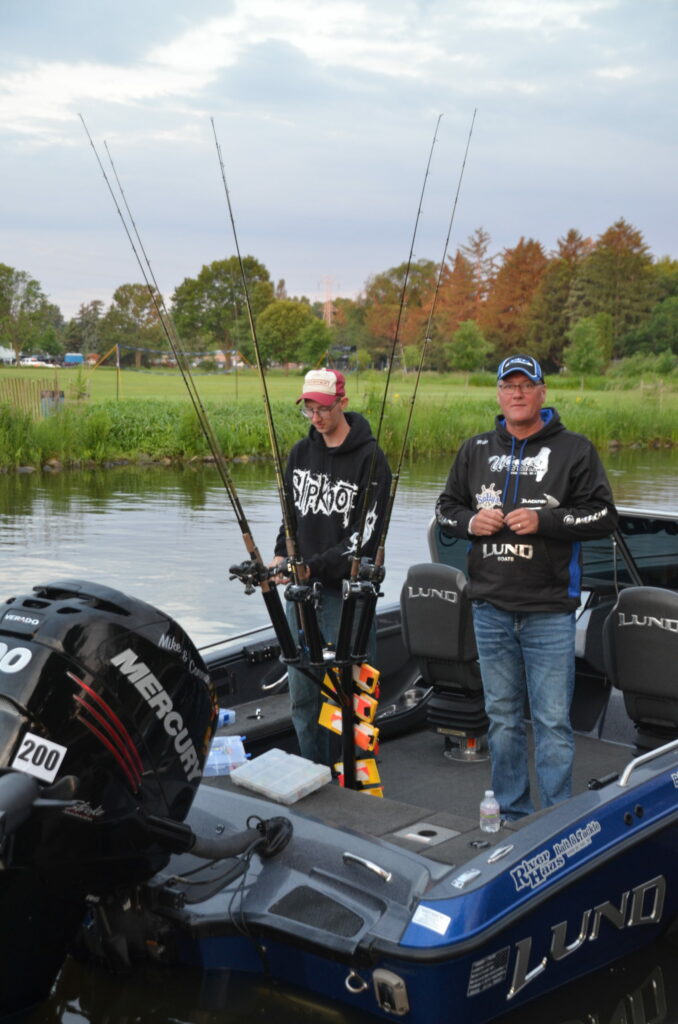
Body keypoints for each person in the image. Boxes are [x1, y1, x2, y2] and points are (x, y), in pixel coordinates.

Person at [435, 354, 617, 820]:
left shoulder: (575, 449)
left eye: (525, 384)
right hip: (489, 608)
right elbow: (445, 508)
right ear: (498, 393)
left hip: (549, 610)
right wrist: (470, 521)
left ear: (542, 392)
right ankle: (513, 815)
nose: (516, 393)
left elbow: (603, 516)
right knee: (501, 719)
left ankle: (555, 821)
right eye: (508, 385)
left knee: (553, 722)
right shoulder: (475, 449)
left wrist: (545, 520)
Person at [272, 368, 391, 765]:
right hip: (302, 595)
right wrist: (281, 555)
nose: (315, 417)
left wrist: (313, 566)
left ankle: (356, 782)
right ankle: (314, 775)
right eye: (308, 409)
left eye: (322, 408)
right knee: (304, 698)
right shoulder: (299, 454)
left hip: (347, 597)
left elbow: (365, 538)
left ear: (343, 402)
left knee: (352, 699)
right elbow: (290, 517)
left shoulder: (371, 460)